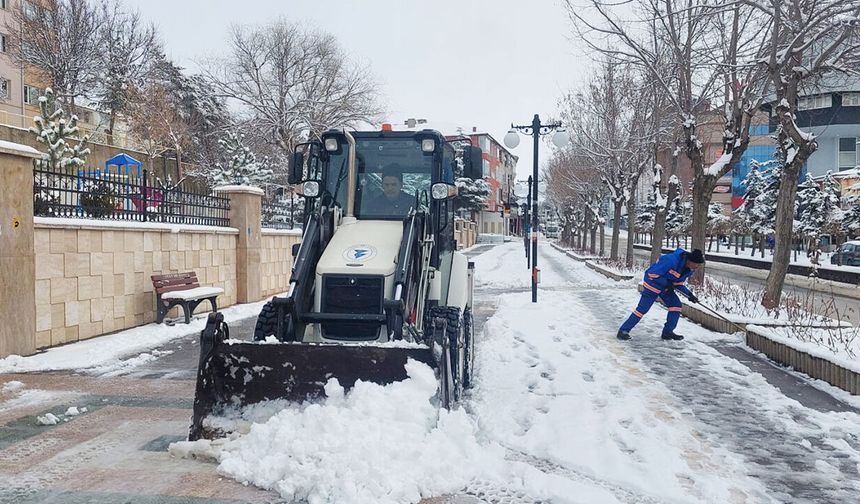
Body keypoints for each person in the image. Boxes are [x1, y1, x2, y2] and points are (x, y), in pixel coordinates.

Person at [617, 248, 705, 341]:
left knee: (676, 305)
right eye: (696, 264)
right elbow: (652, 274)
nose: (697, 267)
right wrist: (667, 283)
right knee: (642, 309)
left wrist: (689, 295)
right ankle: (623, 331)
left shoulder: (689, 269)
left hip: (665, 287)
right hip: (652, 284)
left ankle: (667, 332)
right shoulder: (671, 260)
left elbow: (677, 283)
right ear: (690, 261)